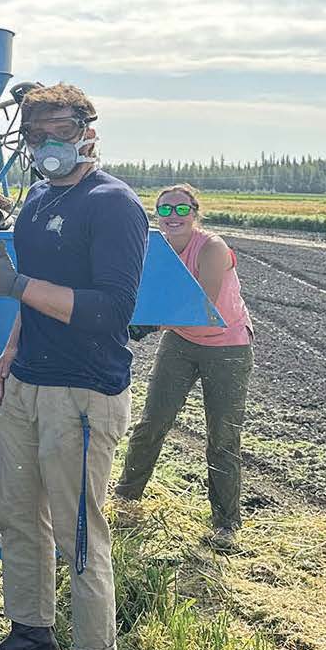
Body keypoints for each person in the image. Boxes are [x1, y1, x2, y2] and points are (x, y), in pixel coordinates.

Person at [0, 83, 146, 650]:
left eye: (57, 133)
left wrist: (18, 287)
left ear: (87, 134)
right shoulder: (39, 199)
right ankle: (32, 630)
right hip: (28, 382)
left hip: (83, 391)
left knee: (78, 528)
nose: (45, 145)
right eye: (35, 134)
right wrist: (14, 345)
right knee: (19, 514)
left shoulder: (114, 205)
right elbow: (38, 287)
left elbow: (110, 309)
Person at [114, 184, 255, 547]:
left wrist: (148, 322)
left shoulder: (212, 248)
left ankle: (226, 524)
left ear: (195, 213)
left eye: (181, 209)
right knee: (152, 422)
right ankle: (125, 499)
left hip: (227, 346)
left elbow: (198, 303)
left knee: (222, 436)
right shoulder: (153, 248)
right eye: (165, 210)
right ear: (157, 215)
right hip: (181, 340)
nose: (173, 217)